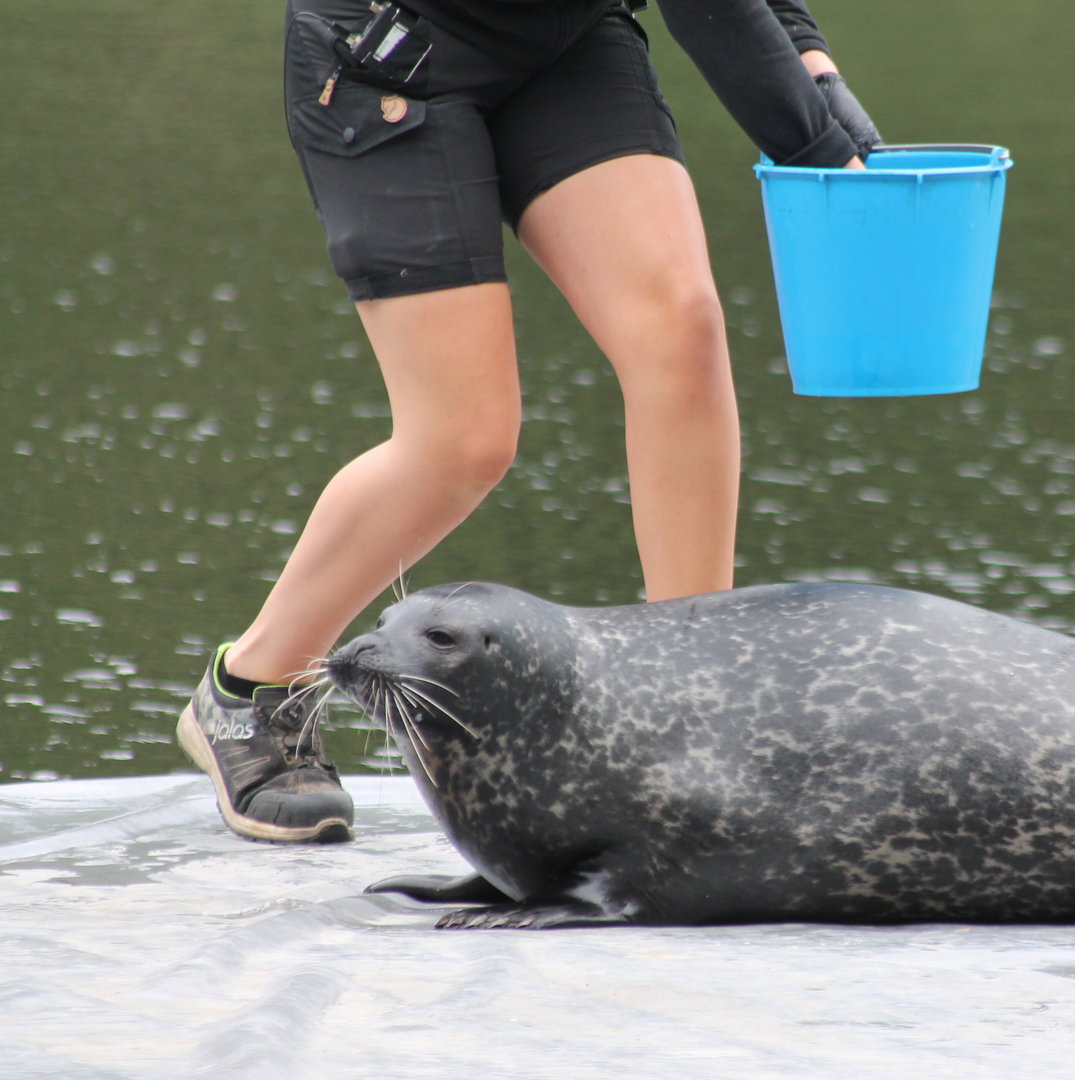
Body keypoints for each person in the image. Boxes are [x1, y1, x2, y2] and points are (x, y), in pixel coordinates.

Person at [174, 0, 882, 843]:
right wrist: (823, 154)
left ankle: (688, 715)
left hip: (568, 37)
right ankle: (252, 688)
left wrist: (811, 61)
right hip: (388, 50)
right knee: (462, 437)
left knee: (679, 334)